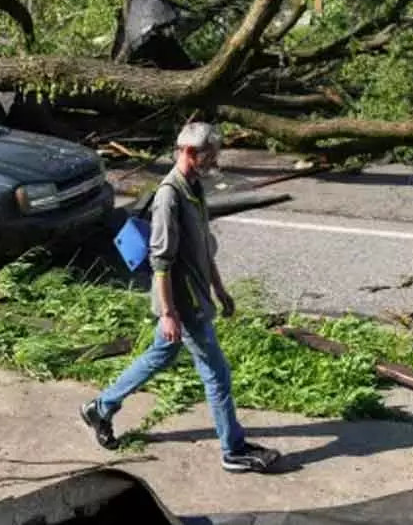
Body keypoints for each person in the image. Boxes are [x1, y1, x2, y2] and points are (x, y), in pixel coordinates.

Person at [81, 122, 281, 474]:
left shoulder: (194, 187)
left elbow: (203, 248)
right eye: (210, 155)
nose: (215, 161)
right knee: (217, 374)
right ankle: (233, 450)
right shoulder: (168, 197)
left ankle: (102, 406)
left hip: (197, 296)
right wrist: (168, 313)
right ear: (189, 152)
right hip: (183, 304)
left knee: (160, 355)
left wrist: (220, 289)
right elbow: (161, 263)